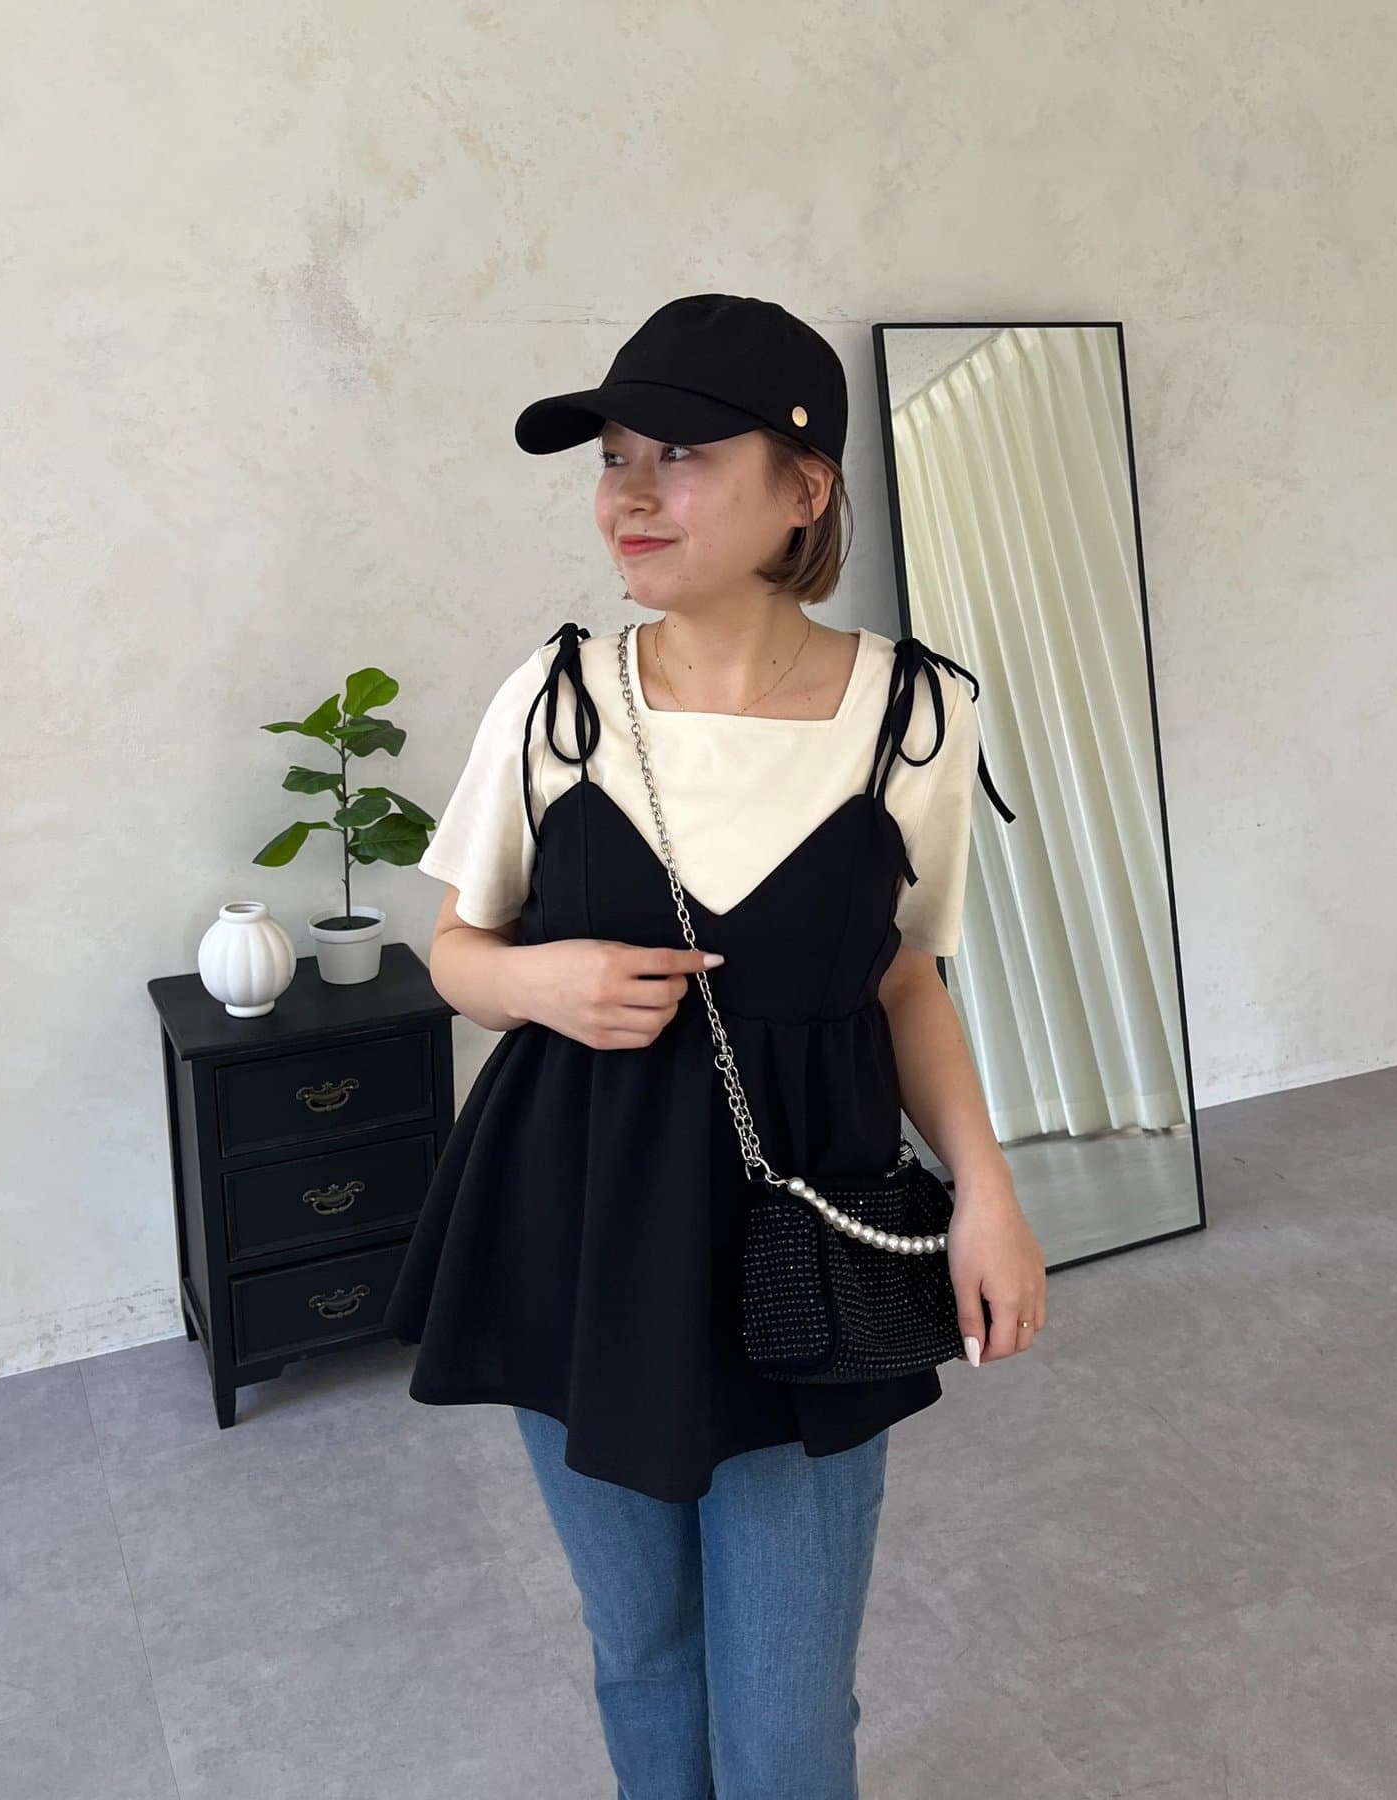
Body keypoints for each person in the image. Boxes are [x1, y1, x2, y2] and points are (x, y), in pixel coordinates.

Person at [384, 293, 1046, 1799]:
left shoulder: (915, 715)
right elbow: (456, 954)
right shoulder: (556, 700)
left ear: (804, 487)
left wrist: (989, 1193)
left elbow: (904, 977)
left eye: (677, 455)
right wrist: (539, 984)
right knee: (642, 1650)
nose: (627, 495)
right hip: (576, 1223)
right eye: (611, 457)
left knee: (788, 1703)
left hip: (809, 1246)